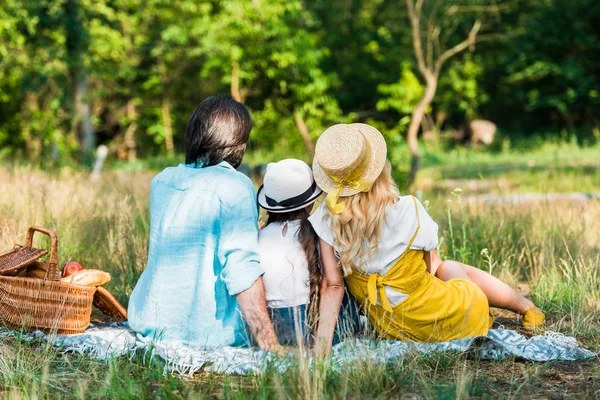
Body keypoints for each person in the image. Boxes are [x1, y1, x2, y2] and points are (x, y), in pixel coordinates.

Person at [308, 123, 545, 343]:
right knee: (448, 266)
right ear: (379, 170)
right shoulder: (409, 208)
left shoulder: (326, 220)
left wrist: (322, 345)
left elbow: (334, 285)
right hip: (454, 317)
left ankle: (523, 306)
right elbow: (431, 268)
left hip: (396, 330)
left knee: (443, 271)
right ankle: (526, 307)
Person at [128, 95, 282, 352]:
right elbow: (241, 267)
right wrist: (270, 343)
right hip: (207, 333)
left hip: (151, 323)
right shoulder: (236, 185)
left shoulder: (162, 181)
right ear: (236, 145)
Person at [256, 159, 360, 355]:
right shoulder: (321, 233)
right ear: (310, 202)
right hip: (317, 325)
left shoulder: (257, 238)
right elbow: (334, 285)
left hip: (276, 328)